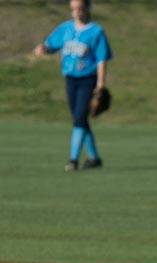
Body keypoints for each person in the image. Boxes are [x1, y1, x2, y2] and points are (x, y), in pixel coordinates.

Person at [32, 0, 112, 171]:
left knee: (78, 119)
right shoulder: (66, 28)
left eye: (80, 8)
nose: (76, 12)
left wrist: (100, 85)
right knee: (80, 119)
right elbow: (52, 45)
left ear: (88, 8)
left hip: (87, 80)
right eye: (73, 9)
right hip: (70, 79)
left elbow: (101, 59)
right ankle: (94, 158)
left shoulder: (96, 32)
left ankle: (73, 160)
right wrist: (43, 49)